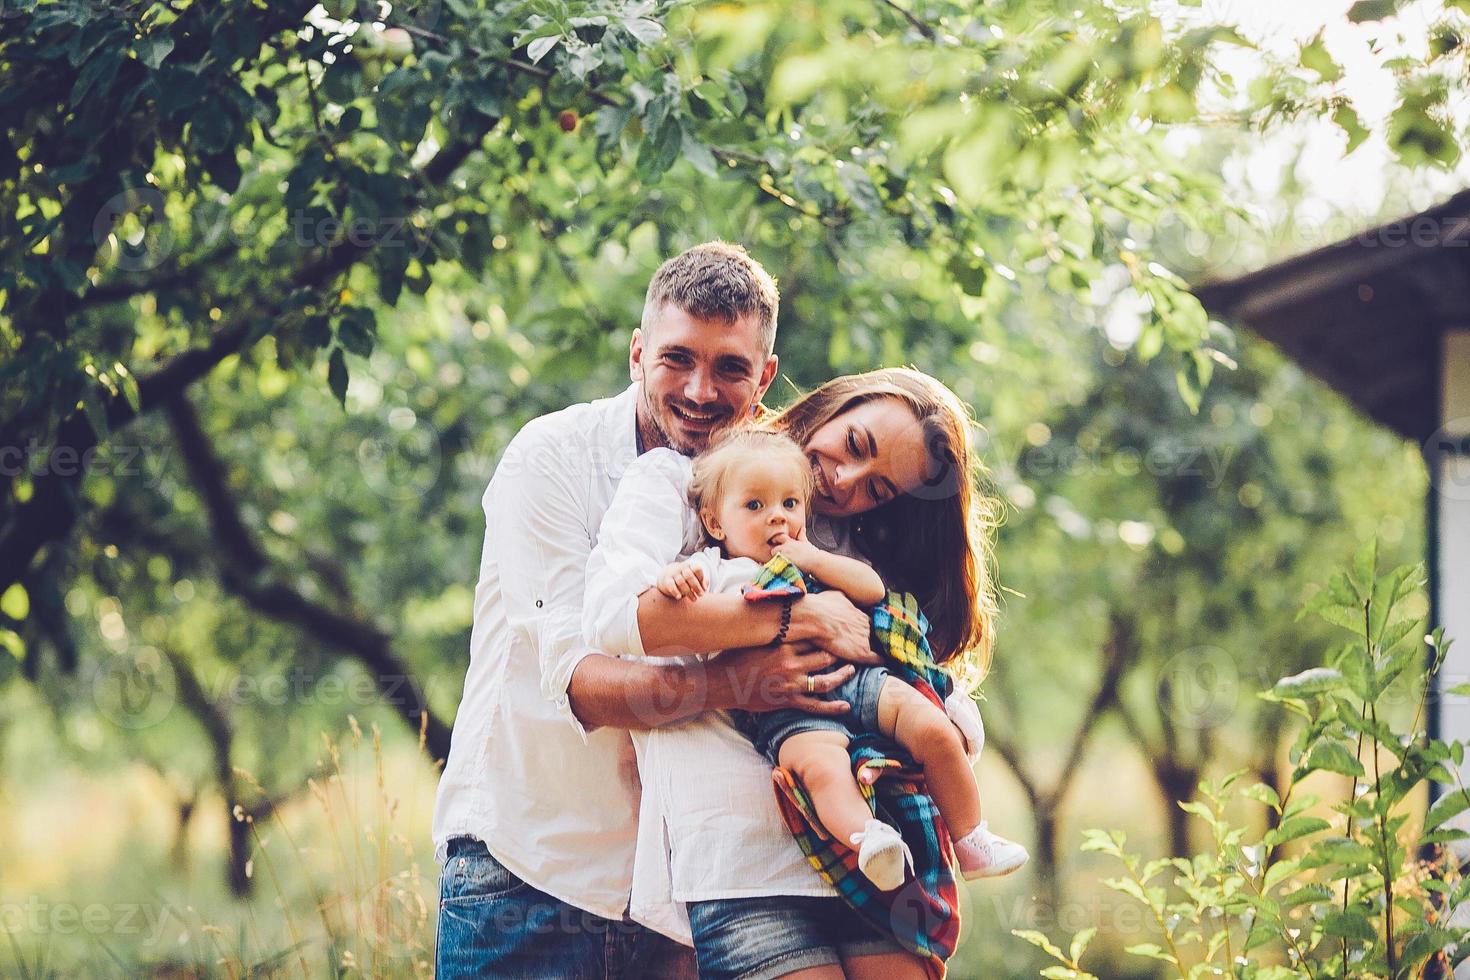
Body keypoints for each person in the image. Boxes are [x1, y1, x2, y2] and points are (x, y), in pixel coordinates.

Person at [432, 241, 878, 979]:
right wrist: (752, 669)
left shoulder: (767, 493)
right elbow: (585, 685)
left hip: (680, 895)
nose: (701, 390)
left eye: (730, 367)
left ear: (763, 377)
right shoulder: (551, 460)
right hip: (530, 873)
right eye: (677, 359)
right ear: (638, 354)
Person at [583, 368, 1008, 980]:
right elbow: (622, 615)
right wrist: (798, 618)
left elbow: (953, 713)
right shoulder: (688, 481)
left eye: (879, 489)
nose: (845, 480)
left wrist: (914, 700)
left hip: (872, 857)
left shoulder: (844, 549)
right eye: (854, 445)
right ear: (832, 405)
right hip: (744, 866)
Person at [652, 428, 1028, 891]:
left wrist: (811, 556)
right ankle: (869, 840)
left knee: (930, 725)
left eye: (789, 504)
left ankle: (971, 836)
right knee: (820, 771)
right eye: (755, 506)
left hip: (860, 679)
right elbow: (676, 602)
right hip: (786, 711)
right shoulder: (712, 569)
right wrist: (676, 576)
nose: (777, 519)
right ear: (714, 521)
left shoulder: (815, 558)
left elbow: (870, 589)